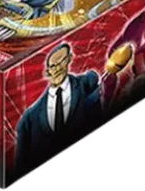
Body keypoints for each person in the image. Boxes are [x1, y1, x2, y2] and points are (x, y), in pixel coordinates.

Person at [15, 44, 101, 175]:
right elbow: (21, 166)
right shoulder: (30, 119)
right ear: (47, 71)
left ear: (69, 59)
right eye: (53, 65)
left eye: (62, 61)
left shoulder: (86, 84)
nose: (58, 68)